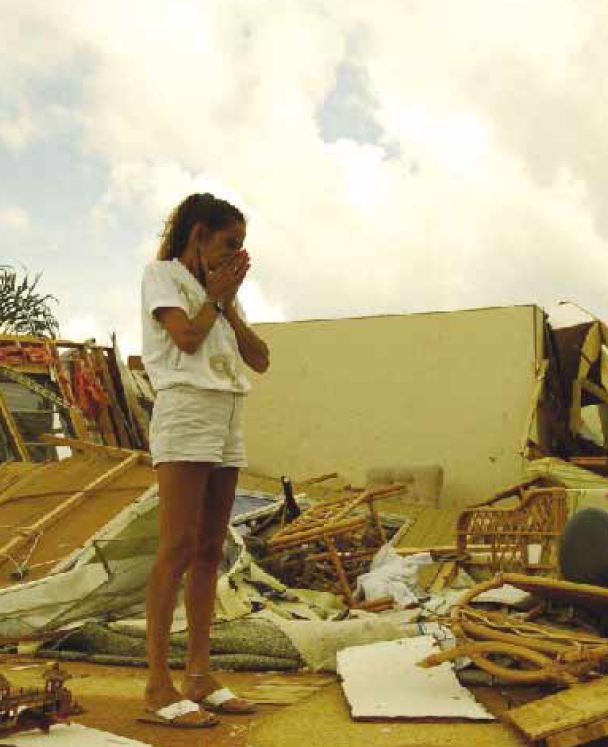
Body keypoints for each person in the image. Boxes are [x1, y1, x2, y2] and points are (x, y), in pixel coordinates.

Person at [139, 192, 270, 729]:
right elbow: (186, 340)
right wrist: (214, 298)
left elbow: (260, 359)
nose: (236, 254)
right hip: (187, 409)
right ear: (198, 234)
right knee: (178, 546)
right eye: (229, 243)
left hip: (227, 413)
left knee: (211, 550)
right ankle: (155, 685)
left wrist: (228, 304)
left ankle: (199, 674)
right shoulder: (164, 276)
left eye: (241, 246)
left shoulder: (220, 296)